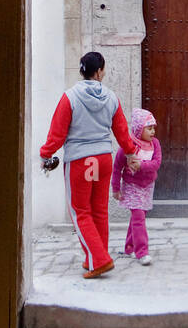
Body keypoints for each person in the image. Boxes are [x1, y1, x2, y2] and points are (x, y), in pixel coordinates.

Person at [40, 51, 140, 278]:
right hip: (103, 159)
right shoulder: (112, 97)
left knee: (80, 212)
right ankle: (94, 257)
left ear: (82, 71)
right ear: (100, 71)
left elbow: (57, 133)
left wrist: (45, 154)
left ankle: (100, 259)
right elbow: (122, 132)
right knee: (99, 211)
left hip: (79, 161)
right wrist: (132, 153)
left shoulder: (70, 97)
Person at [112, 108, 162, 265]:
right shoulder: (128, 147)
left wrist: (141, 165)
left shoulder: (155, 144)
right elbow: (117, 167)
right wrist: (115, 189)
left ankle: (129, 247)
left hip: (147, 186)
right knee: (138, 217)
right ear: (139, 128)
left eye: (154, 128)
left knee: (138, 217)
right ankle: (142, 252)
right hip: (132, 185)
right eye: (149, 128)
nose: (153, 131)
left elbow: (156, 163)